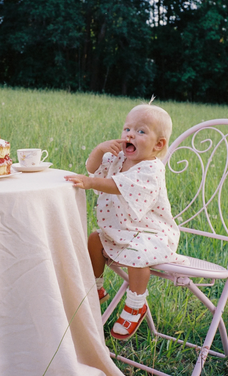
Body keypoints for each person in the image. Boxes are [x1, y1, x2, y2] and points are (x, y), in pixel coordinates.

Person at [65, 103, 189, 341]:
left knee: (137, 254)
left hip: (152, 235)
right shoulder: (118, 158)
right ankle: (96, 288)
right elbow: (92, 169)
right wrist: (100, 150)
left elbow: (114, 186)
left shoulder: (152, 169)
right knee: (94, 239)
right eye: (127, 128)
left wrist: (90, 183)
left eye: (141, 131)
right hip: (122, 231)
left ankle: (136, 304)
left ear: (158, 145)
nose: (130, 134)